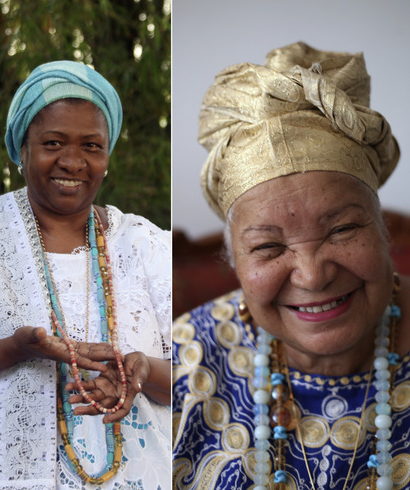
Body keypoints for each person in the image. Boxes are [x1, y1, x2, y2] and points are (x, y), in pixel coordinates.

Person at [172, 41, 410, 490]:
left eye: (341, 230)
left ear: (383, 232)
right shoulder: (183, 362)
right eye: (267, 247)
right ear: (234, 262)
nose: (313, 274)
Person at [0, 60, 172, 489]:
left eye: (92, 146)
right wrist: (12, 350)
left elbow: (211, 380)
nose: (73, 161)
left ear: (108, 155)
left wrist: (144, 371)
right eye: (53, 142)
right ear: (22, 150)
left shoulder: (146, 246)